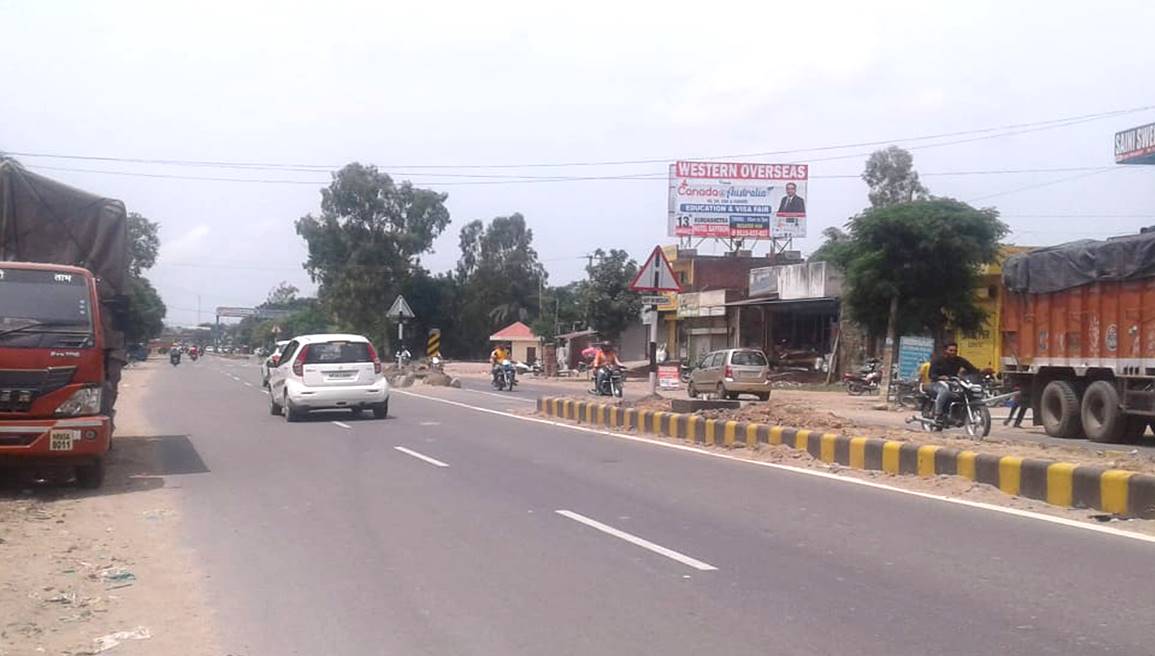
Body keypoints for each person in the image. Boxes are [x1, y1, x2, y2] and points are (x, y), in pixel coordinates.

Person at [929, 341, 979, 426]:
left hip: (953, 382)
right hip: (937, 383)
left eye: (955, 351)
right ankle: (938, 415)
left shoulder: (959, 360)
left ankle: (956, 415)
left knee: (964, 393)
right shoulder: (938, 360)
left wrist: (981, 372)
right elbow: (931, 375)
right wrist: (941, 377)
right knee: (944, 391)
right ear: (945, 351)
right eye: (951, 350)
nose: (953, 353)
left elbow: (972, 369)